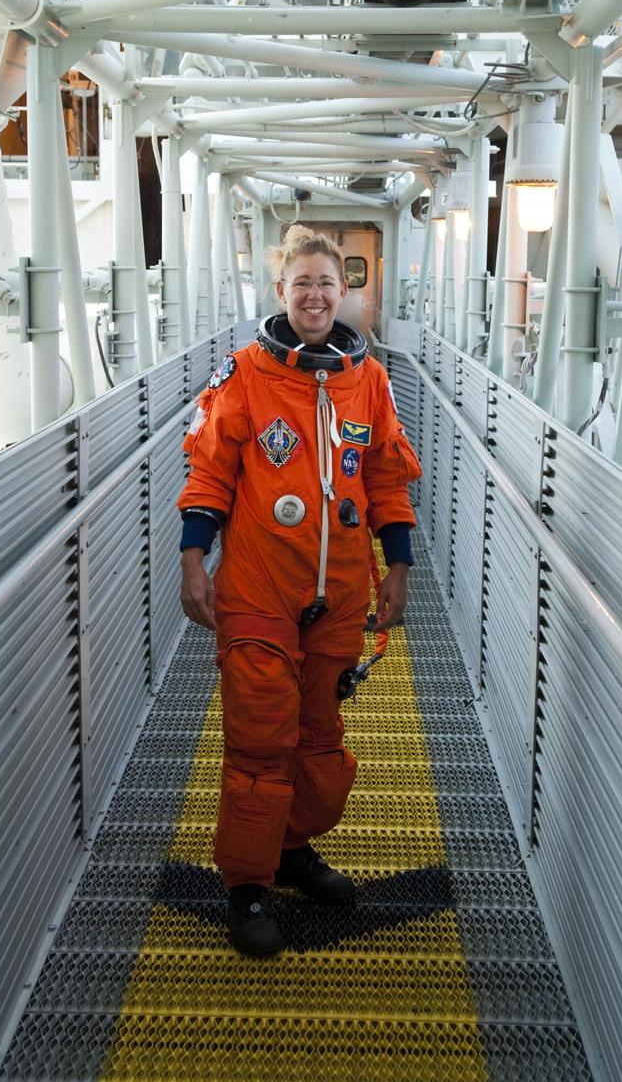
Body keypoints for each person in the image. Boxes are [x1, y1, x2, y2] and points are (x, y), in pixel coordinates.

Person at [178, 225, 421, 956]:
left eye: (327, 283)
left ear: (343, 290)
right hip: (257, 586)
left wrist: (399, 565)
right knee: (259, 738)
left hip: (340, 593)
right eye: (301, 284)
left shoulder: (368, 379)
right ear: (280, 292)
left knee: (319, 740)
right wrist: (195, 559)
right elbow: (210, 472)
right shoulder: (245, 375)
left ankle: (290, 850)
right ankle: (248, 884)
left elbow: (383, 475)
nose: (315, 296)